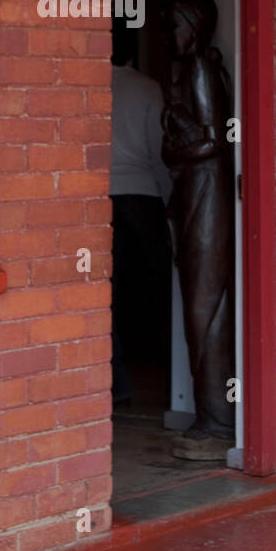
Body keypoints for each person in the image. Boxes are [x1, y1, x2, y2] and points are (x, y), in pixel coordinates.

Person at [161, 0, 236, 460]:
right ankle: (211, 416)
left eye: (175, 24)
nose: (170, 34)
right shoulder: (188, 69)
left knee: (204, 308)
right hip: (195, 193)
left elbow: (213, 139)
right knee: (196, 305)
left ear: (194, 25)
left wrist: (173, 142)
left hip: (207, 196)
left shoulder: (202, 67)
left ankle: (218, 420)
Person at [109, 33, 172, 406]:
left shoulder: (87, 87)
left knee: (106, 295)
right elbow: (158, 151)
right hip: (142, 196)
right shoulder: (148, 88)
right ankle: (167, 371)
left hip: (100, 196)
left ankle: (117, 380)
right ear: (134, 52)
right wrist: (170, 202)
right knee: (156, 284)